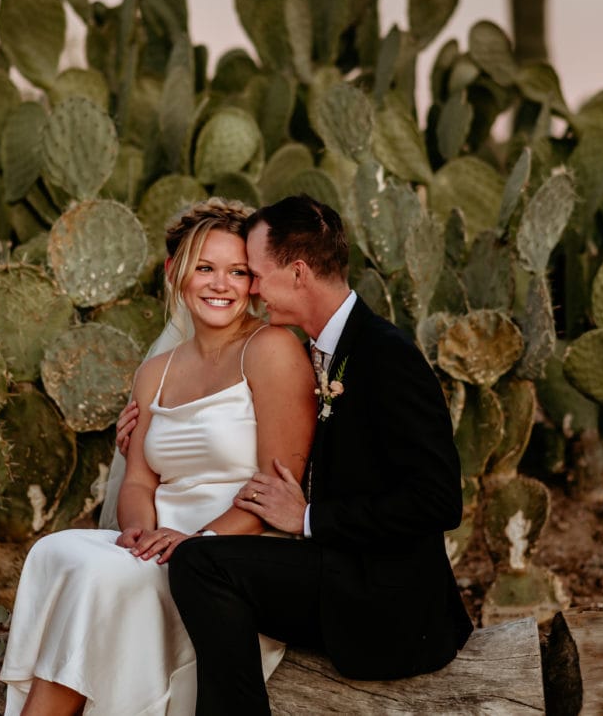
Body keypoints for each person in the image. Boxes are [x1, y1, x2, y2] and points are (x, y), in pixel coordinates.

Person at [119, 194, 473, 715]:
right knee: (202, 564)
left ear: (299, 272)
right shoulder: (322, 348)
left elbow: (440, 500)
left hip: (382, 594)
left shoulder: (384, 354)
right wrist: (147, 438)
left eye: (255, 274)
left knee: (200, 563)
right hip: (328, 563)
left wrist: (308, 517)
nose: (251, 291)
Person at [0, 198, 317, 715]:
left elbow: (276, 485)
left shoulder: (271, 349)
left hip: (229, 552)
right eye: (206, 268)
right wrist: (139, 533)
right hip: (159, 540)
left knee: (99, 578)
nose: (221, 284)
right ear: (178, 274)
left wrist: (197, 543)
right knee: (56, 552)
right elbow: (140, 481)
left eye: (238, 271)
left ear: (254, 283)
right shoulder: (156, 372)